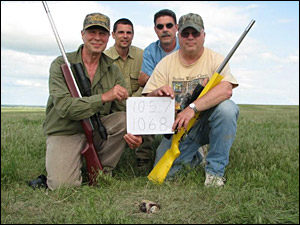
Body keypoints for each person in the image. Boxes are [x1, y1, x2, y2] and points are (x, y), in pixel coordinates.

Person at [43, 12, 142, 190]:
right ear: (83, 34)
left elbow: (123, 109)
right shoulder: (60, 64)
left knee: (125, 119)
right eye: (92, 32)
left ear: (108, 37)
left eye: (102, 33)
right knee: (63, 186)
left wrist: (135, 133)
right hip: (66, 130)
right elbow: (66, 108)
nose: (97, 38)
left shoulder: (112, 68)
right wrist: (104, 97)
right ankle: (71, 165)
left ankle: (101, 171)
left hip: (97, 128)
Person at [142, 13, 239, 187]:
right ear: (179, 35)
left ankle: (214, 173)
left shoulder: (215, 59)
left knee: (228, 109)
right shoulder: (165, 63)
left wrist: (192, 108)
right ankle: (196, 156)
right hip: (177, 130)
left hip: (205, 124)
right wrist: (157, 92)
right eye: (186, 34)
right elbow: (147, 97)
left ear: (203, 35)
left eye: (195, 33)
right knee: (165, 176)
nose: (190, 38)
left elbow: (226, 90)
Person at [104, 18, 154, 167]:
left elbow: (149, 82)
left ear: (132, 35)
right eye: (121, 32)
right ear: (113, 34)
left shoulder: (142, 55)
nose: (125, 36)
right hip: (114, 107)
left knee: (147, 108)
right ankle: (109, 159)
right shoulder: (104, 57)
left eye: (128, 32)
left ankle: (143, 157)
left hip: (138, 102)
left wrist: (134, 102)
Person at [138, 9, 180, 88]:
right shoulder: (149, 51)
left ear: (176, 27)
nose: (164, 30)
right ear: (155, 30)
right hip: (160, 97)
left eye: (169, 25)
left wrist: (152, 79)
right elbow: (149, 84)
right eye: (160, 27)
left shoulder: (185, 47)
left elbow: (151, 80)